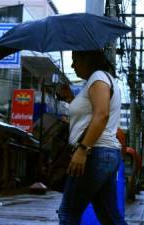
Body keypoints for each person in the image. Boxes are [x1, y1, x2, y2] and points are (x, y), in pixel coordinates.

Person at [57, 50, 127, 225]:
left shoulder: (98, 78)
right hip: (104, 154)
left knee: (68, 214)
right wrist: (71, 98)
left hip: (94, 153)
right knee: (110, 218)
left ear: (87, 58)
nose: (73, 65)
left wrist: (82, 149)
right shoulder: (98, 81)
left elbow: (101, 114)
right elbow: (91, 113)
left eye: (75, 60)